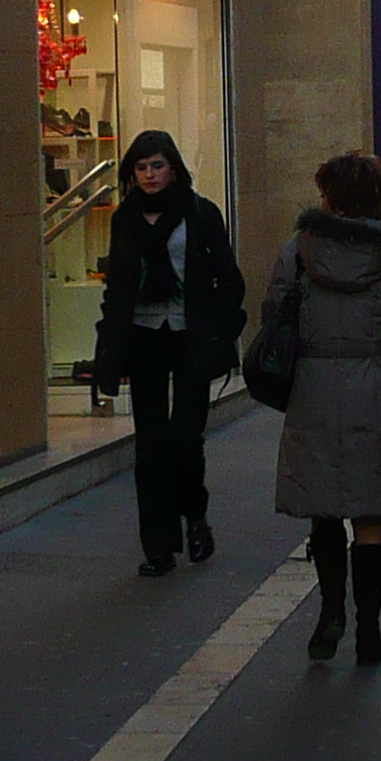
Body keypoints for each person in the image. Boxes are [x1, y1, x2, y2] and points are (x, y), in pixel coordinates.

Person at [265, 150, 381, 664]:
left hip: (315, 389)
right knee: (370, 516)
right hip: (379, 388)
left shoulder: (298, 252)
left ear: (328, 198)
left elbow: (275, 314)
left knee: (323, 510)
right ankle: (370, 630)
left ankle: (329, 617)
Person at [90, 129, 245, 576]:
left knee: (185, 439)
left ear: (173, 167)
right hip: (143, 337)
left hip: (189, 336)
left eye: (157, 166)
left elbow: (227, 277)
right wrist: (109, 348)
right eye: (141, 168)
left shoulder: (199, 213)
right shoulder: (125, 219)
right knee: (150, 445)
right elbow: (117, 288)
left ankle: (195, 518)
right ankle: (157, 545)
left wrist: (221, 329)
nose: (150, 175)